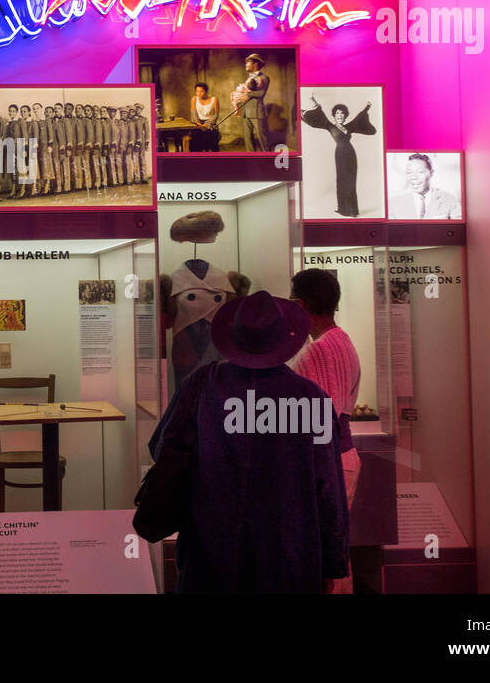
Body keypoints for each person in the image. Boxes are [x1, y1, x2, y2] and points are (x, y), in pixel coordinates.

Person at [148, 290, 350, 593]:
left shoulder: (201, 385)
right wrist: (333, 562)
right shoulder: (310, 398)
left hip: (210, 550)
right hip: (288, 555)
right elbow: (329, 488)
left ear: (235, 336)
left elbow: (161, 449)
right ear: (285, 340)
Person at [289, 269, 362, 594]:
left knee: (325, 557)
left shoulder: (318, 350)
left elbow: (322, 421)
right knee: (335, 549)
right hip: (340, 457)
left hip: (326, 463)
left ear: (301, 303)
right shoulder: (341, 339)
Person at [301, 94, 377, 216]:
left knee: (351, 182)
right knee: (342, 181)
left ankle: (352, 211)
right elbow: (320, 114)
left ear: (345, 116)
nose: (340, 116)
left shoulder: (349, 126)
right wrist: (312, 100)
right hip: (340, 156)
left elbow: (359, 117)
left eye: (342, 114)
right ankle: (343, 209)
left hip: (351, 155)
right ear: (334, 116)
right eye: (337, 114)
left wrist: (367, 107)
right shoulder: (329, 125)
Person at [388, 152, 461, 218]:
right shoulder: (393, 202)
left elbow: (458, 228)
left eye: (420, 172)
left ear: (431, 173)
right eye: (409, 172)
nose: (414, 177)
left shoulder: (449, 199)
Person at [233, 54, 269, 151]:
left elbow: (261, 93)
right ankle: (252, 159)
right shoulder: (248, 78)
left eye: (248, 62)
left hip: (256, 112)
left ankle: (268, 160)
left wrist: (246, 94)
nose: (245, 65)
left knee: (262, 138)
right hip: (245, 112)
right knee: (248, 138)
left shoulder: (264, 78)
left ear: (255, 64)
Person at [191, 82, 220, 152]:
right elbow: (194, 113)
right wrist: (199, 124)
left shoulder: (214, 99)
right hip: (198, 123)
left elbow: (216, 114)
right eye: (197, 91)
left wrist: (207, 124)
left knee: (212, 136)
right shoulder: (194, 99)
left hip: (210, 123)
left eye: (201, 91)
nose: (199, 93)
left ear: (206, 91)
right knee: (195, 137)